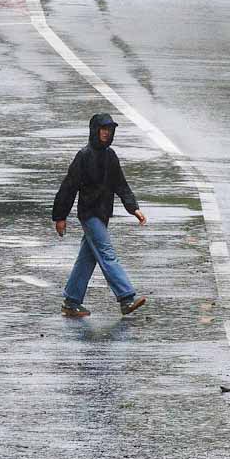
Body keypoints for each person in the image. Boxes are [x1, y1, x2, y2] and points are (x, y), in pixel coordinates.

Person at [51, 112, 148, 317]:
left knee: (87, 258)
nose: (106, 133)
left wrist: (134, 208)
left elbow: (121, 185)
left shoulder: (110, 156)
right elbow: (68, 187)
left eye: (109, 129)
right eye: (103, 129)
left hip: (103, 215)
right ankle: (126, 298)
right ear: (95, 130)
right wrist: (60, 217)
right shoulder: (84, 156)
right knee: (106, 253)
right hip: (89, 214)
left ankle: (71, 301)